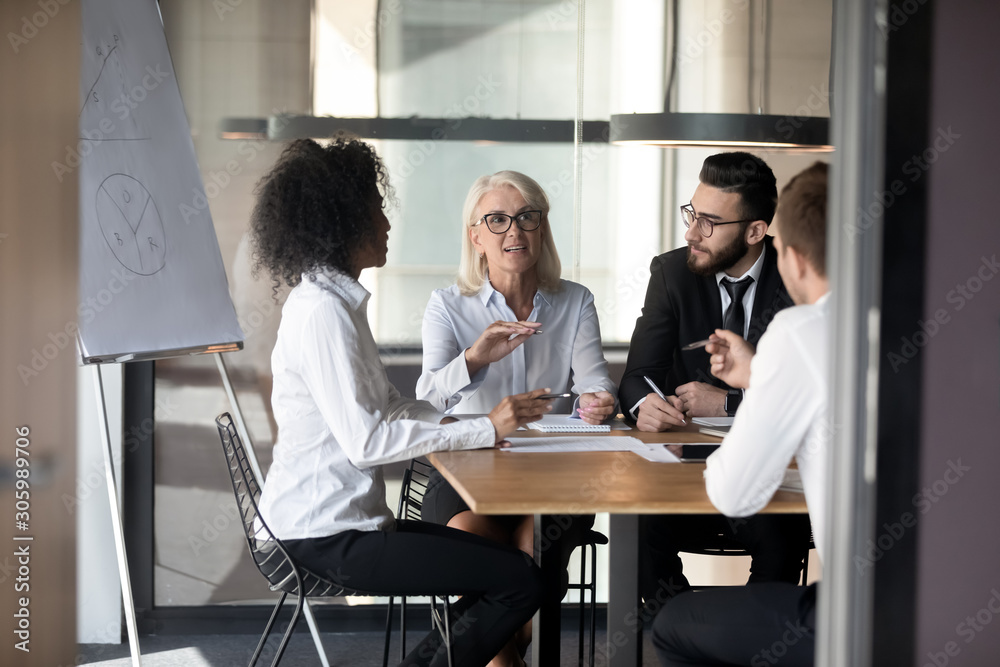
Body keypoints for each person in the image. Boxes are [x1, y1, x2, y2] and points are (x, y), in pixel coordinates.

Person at [251, 138, 556, 667]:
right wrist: (486, 427)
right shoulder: (323, 313)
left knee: (518, 573)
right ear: (344, 222)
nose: (387, 224)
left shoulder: (335, 303)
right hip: (321, 538)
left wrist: (475, 381)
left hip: (343, 527)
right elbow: (369, 442)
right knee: (519, 581)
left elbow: (394, 408)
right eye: (376, 211)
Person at [416, 170, 617, 664]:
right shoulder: (447, 305)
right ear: (476, 236)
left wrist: (598, 401)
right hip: (468, 468)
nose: (515, 231)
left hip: (555, 472)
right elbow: (427, 401)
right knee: (468, 538)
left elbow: (597, 384)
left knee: (536, 542)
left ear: (542, 228)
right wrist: (476, 358)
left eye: (527, 217)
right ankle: (508, 656)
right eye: (498, 219)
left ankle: (502, 655)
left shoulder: (576, 300)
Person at [653, 161, 831, 666]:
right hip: (947, 593)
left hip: (860, 610)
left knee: (673, 627)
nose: (693, 232)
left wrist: (761, 384)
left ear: (789, 256)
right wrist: (760, 377)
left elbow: (735, 492)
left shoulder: (800, 329)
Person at [619, 152, 810, 604]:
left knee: (783, 538)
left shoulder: (798, 278)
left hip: (772, 473)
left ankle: (746, 641)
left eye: (708, 222)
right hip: (685, 472)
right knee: (638, 529)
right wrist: (644, 405)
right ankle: (684, 632)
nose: (691, 233)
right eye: (691, 214)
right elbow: (636, 377)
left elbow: (809, 395)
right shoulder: (671, 273)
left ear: (755, 230)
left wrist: (728, 404)